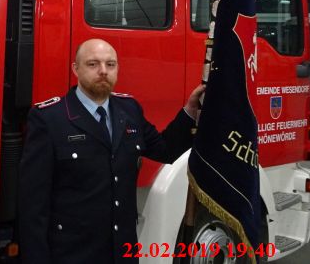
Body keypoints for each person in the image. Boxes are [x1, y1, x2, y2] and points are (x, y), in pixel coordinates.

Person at [17, 38, 204, 264]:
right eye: (93, 64)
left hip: (121, 251)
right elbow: (32, 208)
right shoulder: (49, 119)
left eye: (110, 64)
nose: (103, 71)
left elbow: (165, 150)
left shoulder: (129, 109)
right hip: (72, 254)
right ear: (75, 69)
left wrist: (190, 110)